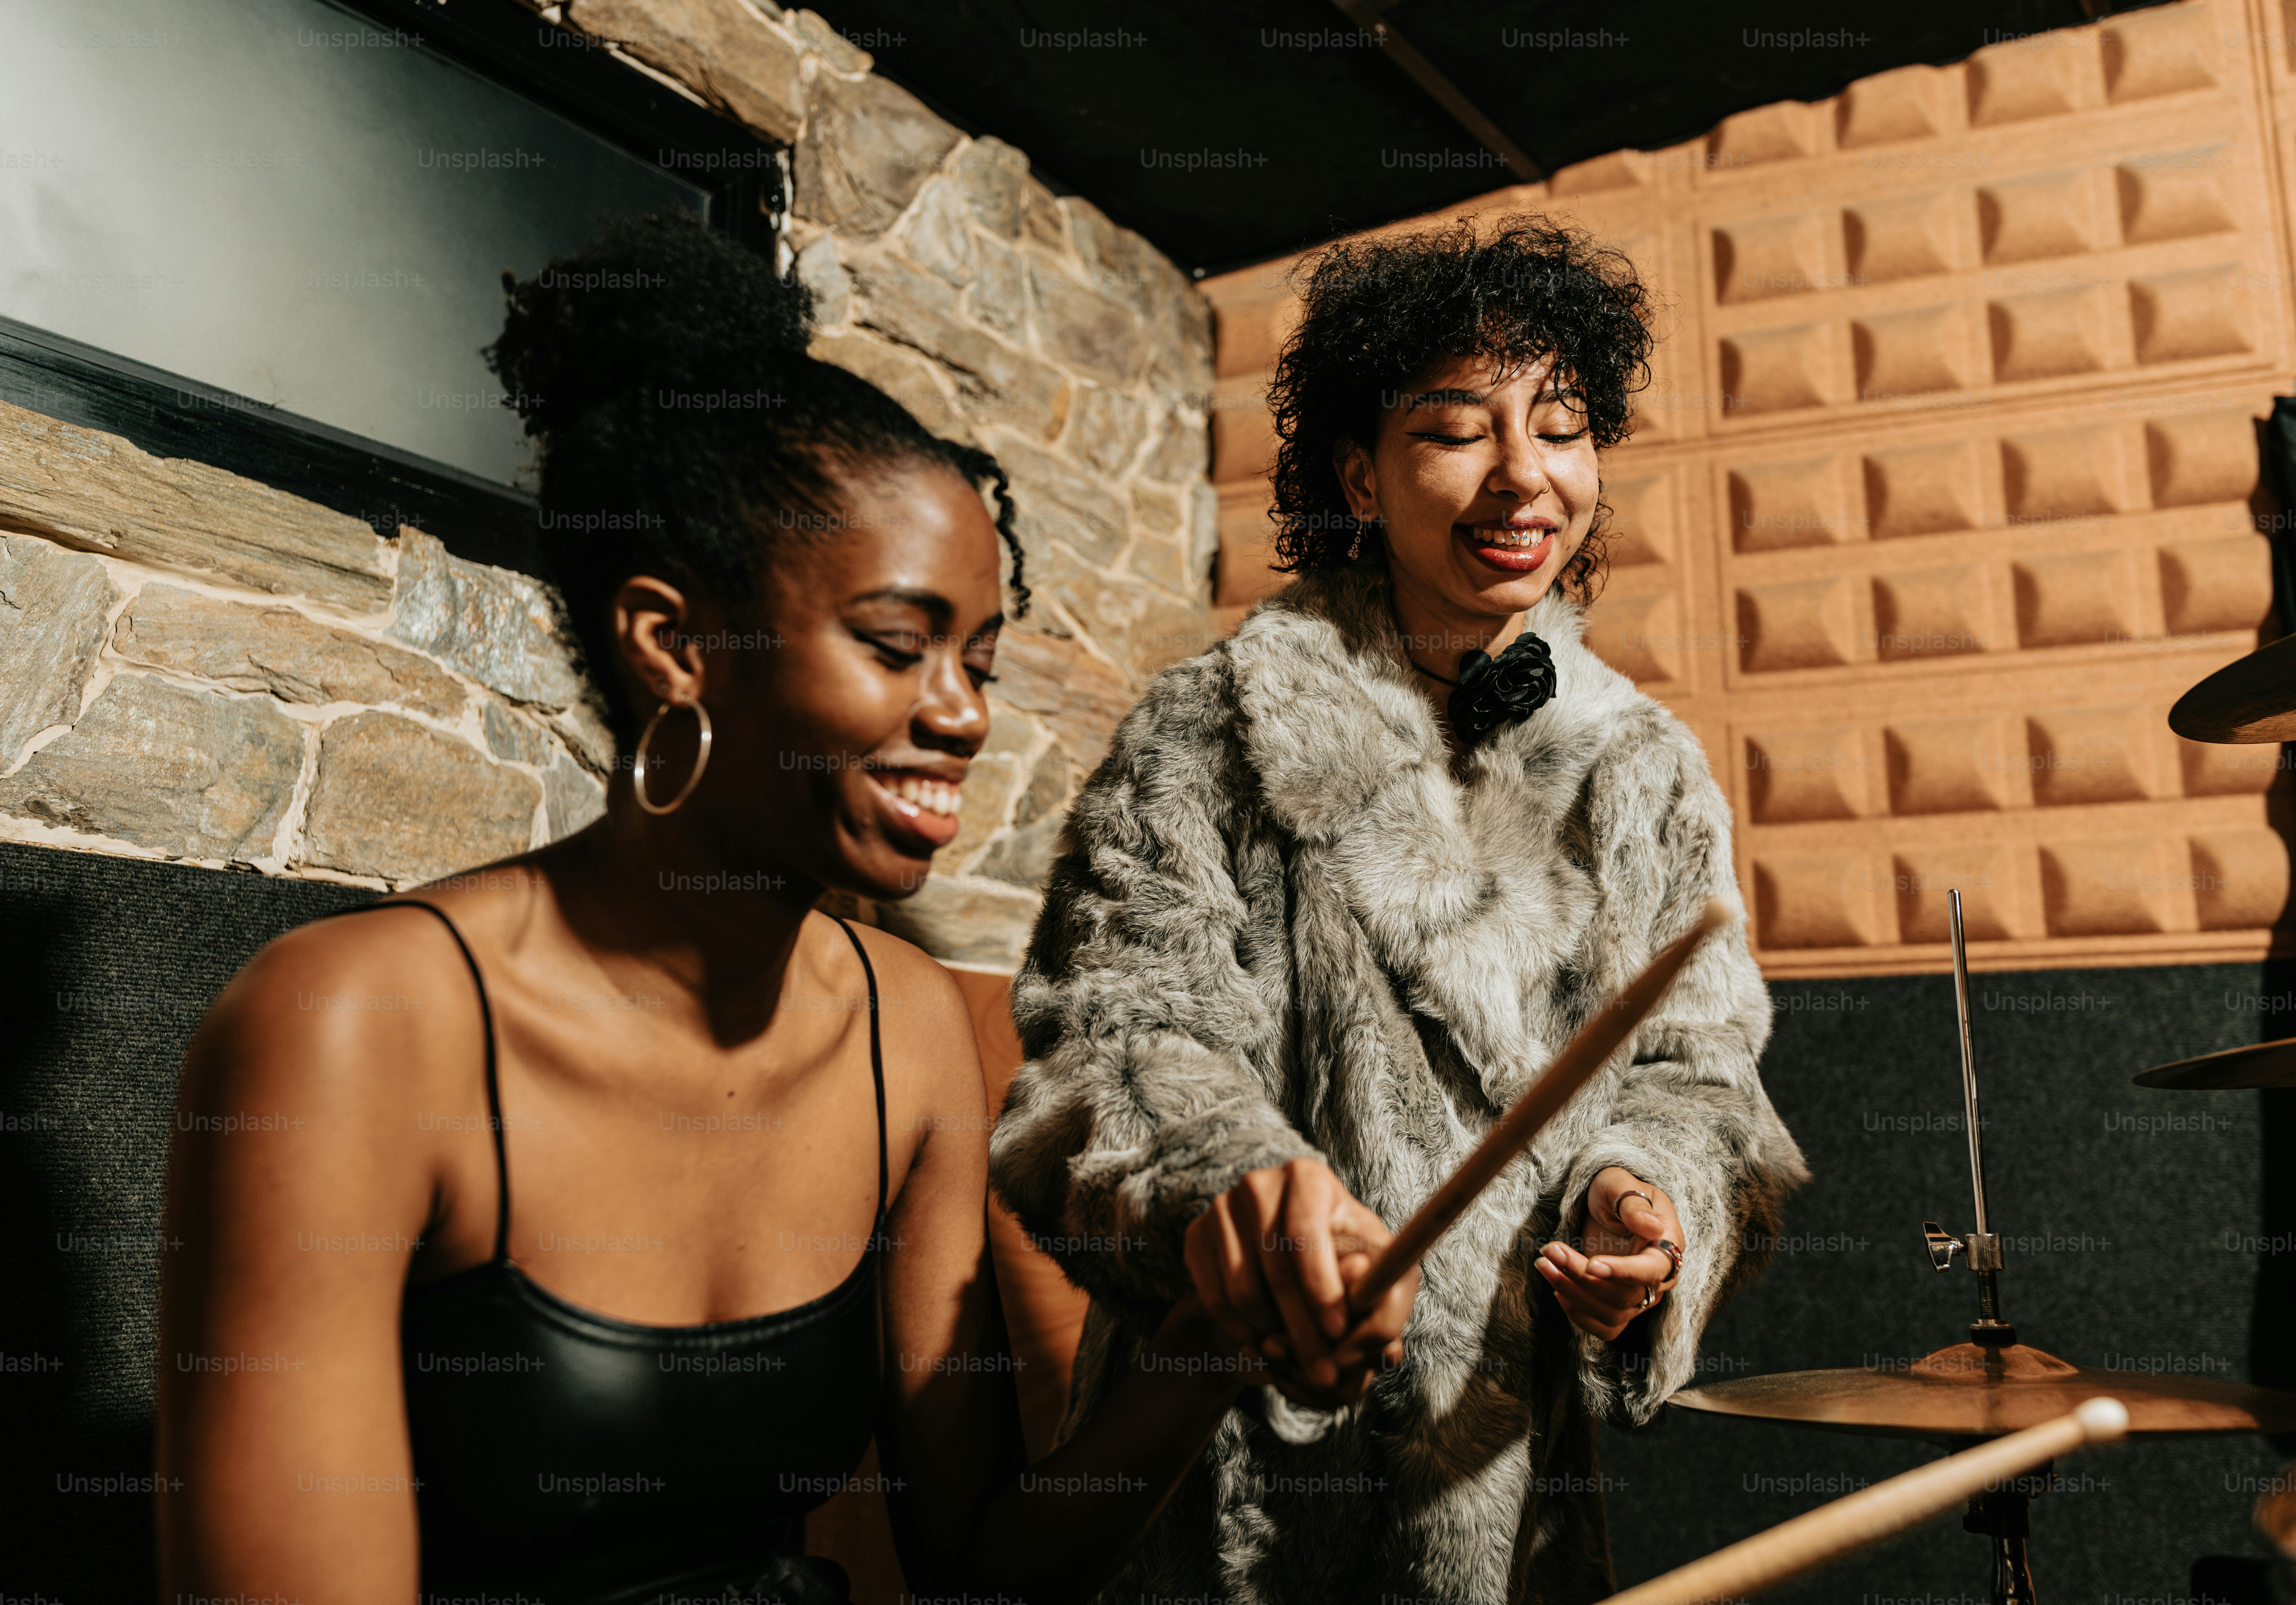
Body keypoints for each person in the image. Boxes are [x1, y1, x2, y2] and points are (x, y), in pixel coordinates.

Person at [152, 212, 1412, 1605]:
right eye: (896, 645)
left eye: (980, 662)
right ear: (674, 643)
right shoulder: (348, 1026)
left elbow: (984, 1563)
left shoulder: (907, 1031)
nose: (962, 715)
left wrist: (1209, 1346)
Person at [989, 215, 1812, 1603]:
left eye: (1559, 426)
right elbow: (1112, 1037)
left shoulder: (1646, 765)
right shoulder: (1209, 724)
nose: (1521, 477)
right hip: (1229, 1475)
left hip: (1499, 1478)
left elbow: (1701, 1076)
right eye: (1454, 431)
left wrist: (1642, 1198)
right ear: (1360, 478)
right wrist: (1238, 1194)